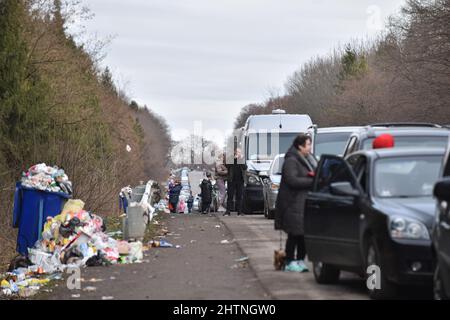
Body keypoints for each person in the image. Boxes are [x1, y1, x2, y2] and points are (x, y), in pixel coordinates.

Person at [275, 134, 317, 273]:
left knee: (303, 234)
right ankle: (289, 261)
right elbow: (292, 180)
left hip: (303, 203)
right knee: (294, 234)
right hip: (292, 203)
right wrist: (312, 181)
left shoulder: (307, 159)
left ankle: (300, 260)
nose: (310, 147)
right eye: (308, 144)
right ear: (300, 146)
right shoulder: (292, 161)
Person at [224, 148, 247, 216]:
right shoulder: (230, 158)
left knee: (239, 196)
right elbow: (227, 165)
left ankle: (239, 211)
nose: (238, 153)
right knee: (230, 195)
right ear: (234, 152)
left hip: (240, 180)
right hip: (231, 180)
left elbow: (245, 167)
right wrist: (234, 159)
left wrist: (240, 159)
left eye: (239, 152)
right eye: (237, 152)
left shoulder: (242, 159)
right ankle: (228, 211)